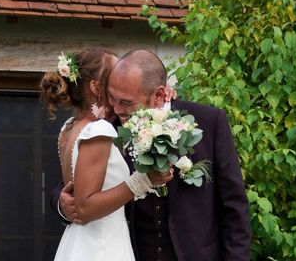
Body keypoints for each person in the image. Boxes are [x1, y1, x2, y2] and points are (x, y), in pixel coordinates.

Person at [57, 49, 251, 260]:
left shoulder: (208, 122)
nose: (116, 108)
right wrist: (60, 203)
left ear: (159, 95)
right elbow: (76, 184)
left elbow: (233, 206)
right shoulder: (107, 130)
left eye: (126, 102)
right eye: (112, 98)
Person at [41, 48, 173, 261]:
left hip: (79, 241)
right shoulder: (100, 129)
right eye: (113, 77)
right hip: (101, 244)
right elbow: (84, 207)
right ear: (96, 87)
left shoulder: (69, 127)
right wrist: (143, 181)